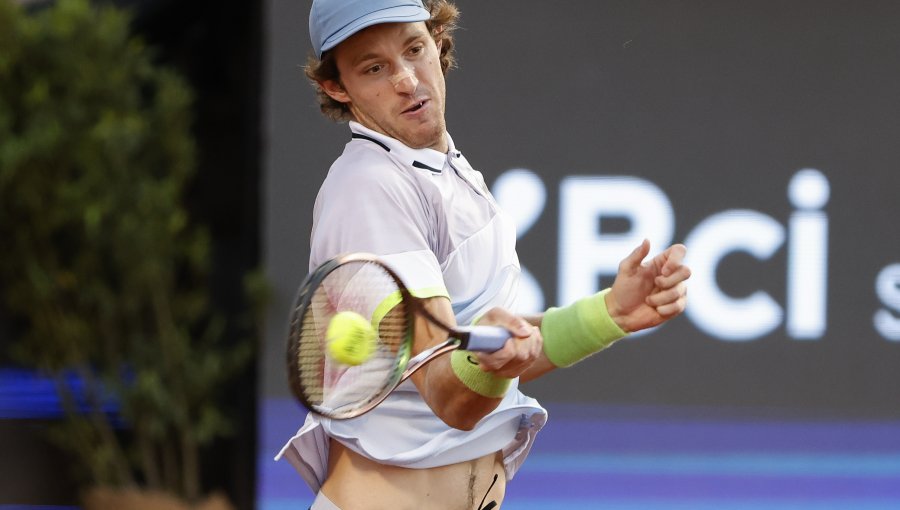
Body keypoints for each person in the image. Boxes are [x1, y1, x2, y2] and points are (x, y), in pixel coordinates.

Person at [276, 1, 691, 508]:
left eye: (414, 49)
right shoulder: (369, 186)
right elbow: (449, 394)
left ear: (437, 41)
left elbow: (490, 349)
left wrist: (608, 315)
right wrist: (489, 365)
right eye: (374, 68)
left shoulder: (441, 167)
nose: (407, 79)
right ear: (336, 87)